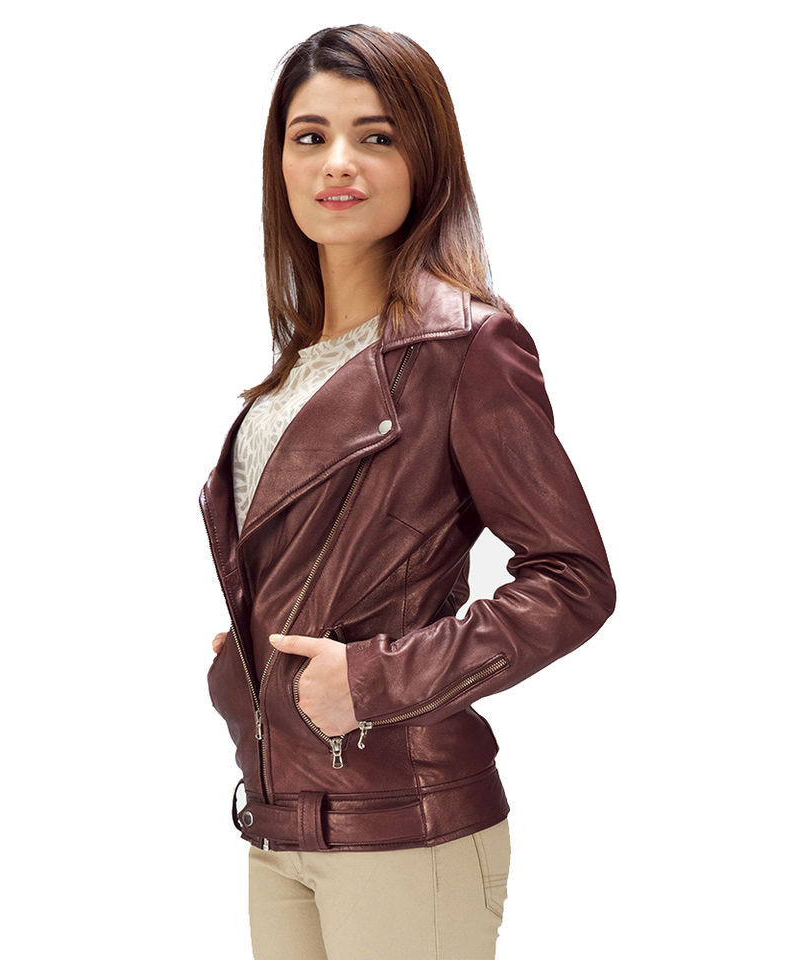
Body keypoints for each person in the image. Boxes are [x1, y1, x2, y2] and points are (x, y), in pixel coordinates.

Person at [199, 23, 616, 960]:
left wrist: (371, 680)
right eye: (310, 136)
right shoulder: (295, 368)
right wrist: (251, 647)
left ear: (425, 159)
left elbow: (573, 578)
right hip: (280, 817)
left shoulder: (466, 345)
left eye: (376, 135)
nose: (337, 161)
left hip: (404, 820)